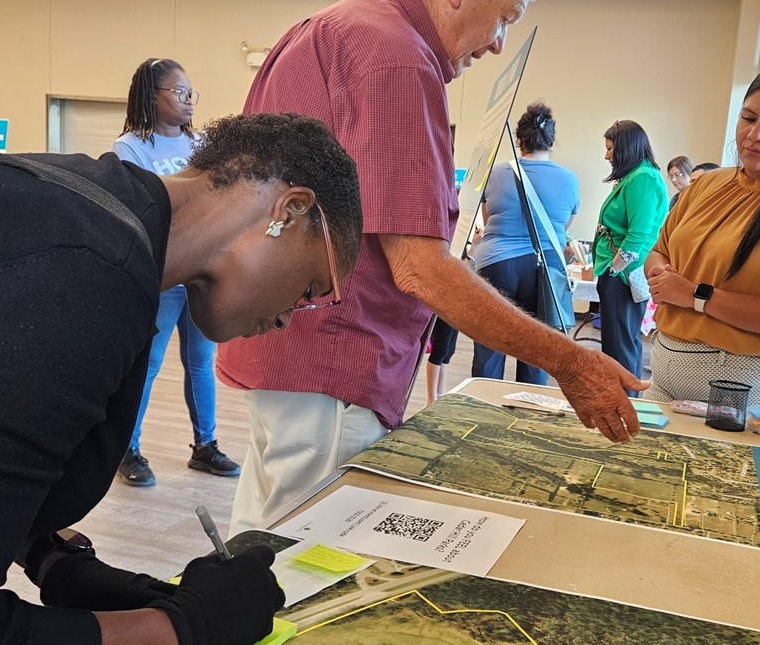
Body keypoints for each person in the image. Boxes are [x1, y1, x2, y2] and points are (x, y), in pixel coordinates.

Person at [0, 112, 363, 645]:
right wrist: (182, 628)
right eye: (313, 289)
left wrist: (54, 558)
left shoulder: (86, 201)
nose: (289, 318)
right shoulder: (83, 275)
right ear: (290, 210)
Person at [218, 0, 647, 535]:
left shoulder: (336, 27)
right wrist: (571, 362)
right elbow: (418, 266)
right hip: (333, 360)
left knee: (261, 536)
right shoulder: (397, 54)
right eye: (504, 18)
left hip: (286, 352)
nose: (498, 44)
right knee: (310, 548)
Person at [645, 62, 760, 418]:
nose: (755, 134)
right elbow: (659, 251)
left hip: (745, 384)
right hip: (665, 368)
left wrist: (694, 295)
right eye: (748, 118)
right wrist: (663, 278)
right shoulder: (707, 184)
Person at [112, 58, 240, 486]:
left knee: (201, 363)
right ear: (152, 97)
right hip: (164, 275)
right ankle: (127, 449)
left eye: (191, 93)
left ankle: (205, 446)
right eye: (179, 92)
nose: (189, 101)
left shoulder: (201, 145)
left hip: (202, 274)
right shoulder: (130, 149)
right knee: (148, 364)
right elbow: (141, 213)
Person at [470, 102, 580, 385]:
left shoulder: (496, 173)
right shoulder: (569, 179)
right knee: (536, 351)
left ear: (520, 140)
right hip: (544, 269)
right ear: (551, 141)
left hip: (496, 265)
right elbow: (563, 226)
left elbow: (487, 217)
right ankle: (528, 403)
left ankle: (482, 402)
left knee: (490, 348)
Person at [592, 120, 669, 397]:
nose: (607, 156)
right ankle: (624, 402)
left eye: (610, 148)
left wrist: (615, 270)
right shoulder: (635, 176)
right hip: (619, 272)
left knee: (619, 347)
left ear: (625, 147)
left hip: (623, 275)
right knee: (622, 343)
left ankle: (622, 403)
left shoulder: (643, 178)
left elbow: (638, 234)